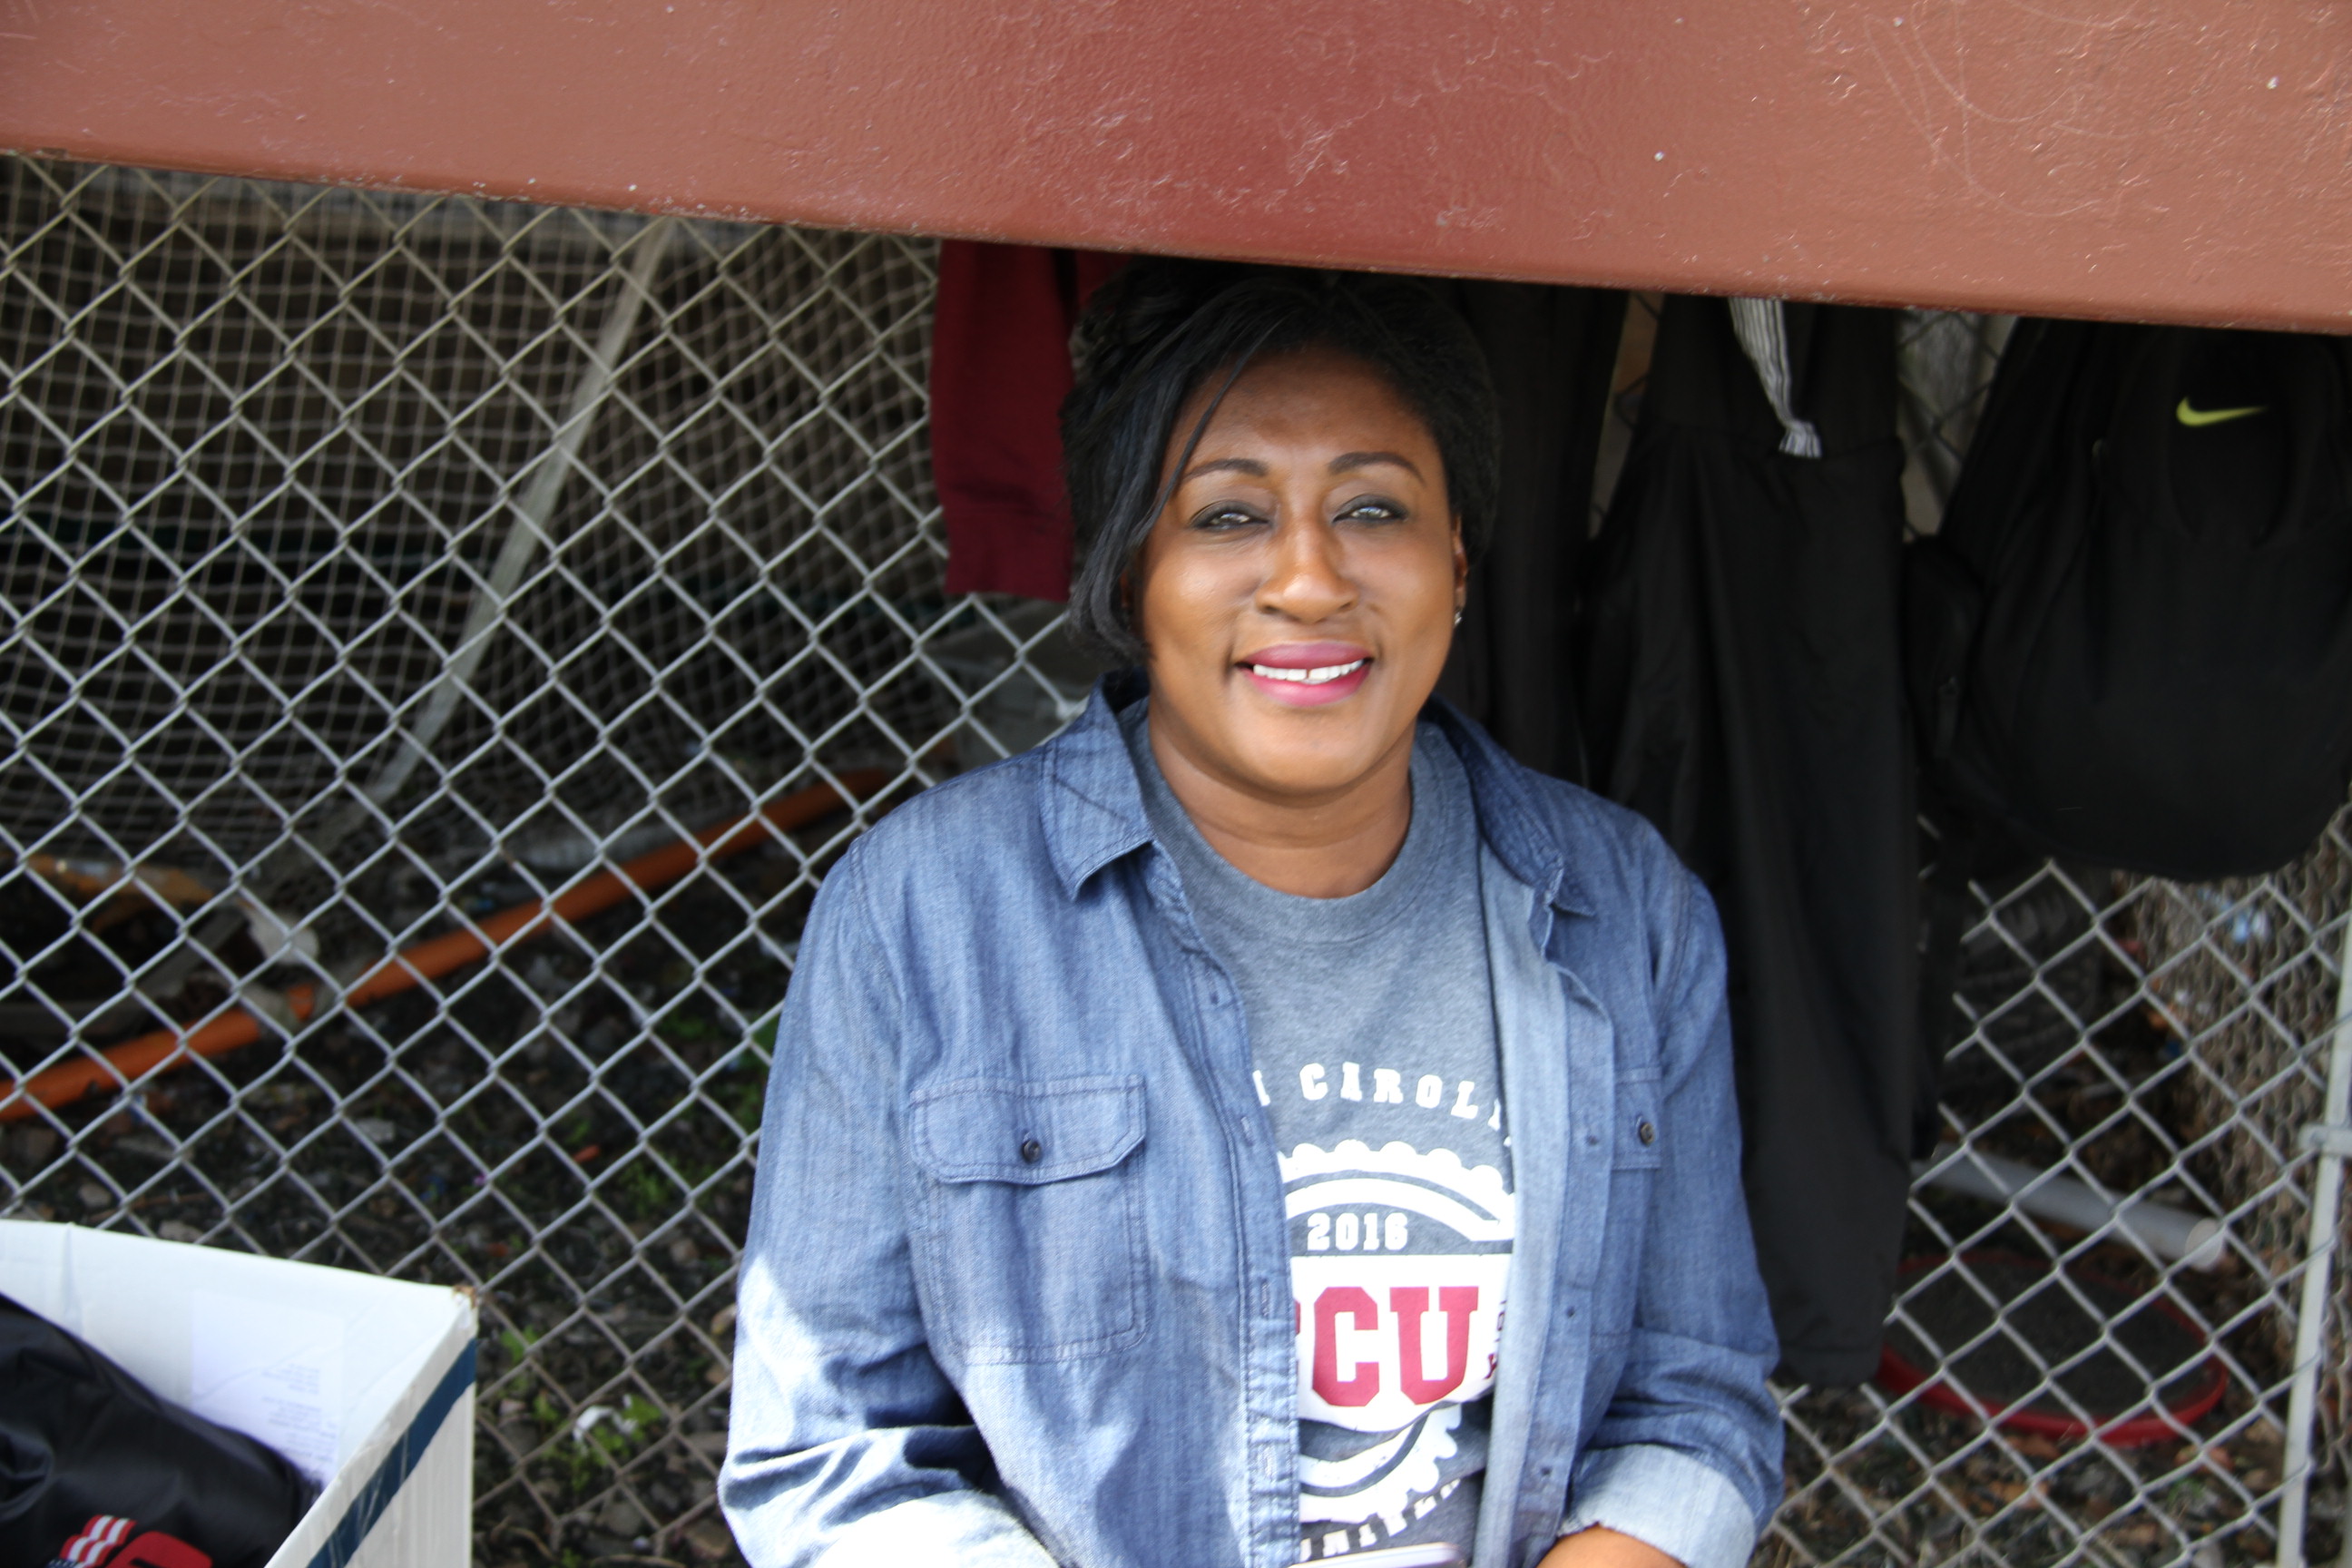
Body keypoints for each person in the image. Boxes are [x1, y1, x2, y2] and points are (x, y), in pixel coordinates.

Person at [720, 260, 1782, 1568]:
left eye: (1373, 507)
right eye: (1228, 516)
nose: (1309, 580)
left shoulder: (1626, 909)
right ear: (1130, 574)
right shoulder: (922, 917)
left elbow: (1692, 1405)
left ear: (1456, 558)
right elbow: (833, 1458)